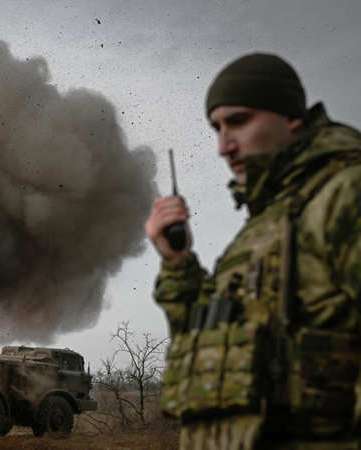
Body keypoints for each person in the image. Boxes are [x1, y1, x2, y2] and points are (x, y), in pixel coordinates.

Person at [145, 53, 361, 449]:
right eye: (217, 127)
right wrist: (178, 265)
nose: (224, 147)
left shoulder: (344, 193)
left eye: (239, 121)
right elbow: (209, 356)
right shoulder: (264, 227)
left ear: (292, 117)